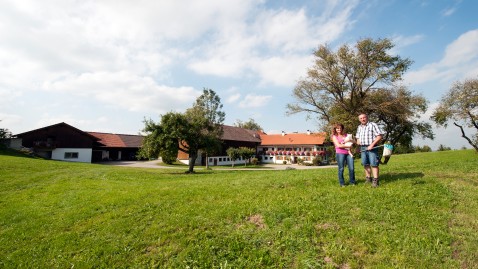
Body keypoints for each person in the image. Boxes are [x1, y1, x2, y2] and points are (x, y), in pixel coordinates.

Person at [356, 113, 383, 187]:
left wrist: (372, 145)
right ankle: (368, 179)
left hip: (372, 147)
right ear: (359, 120)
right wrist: (358, 147)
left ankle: (375, 181)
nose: (362, 119)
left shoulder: (373, 125)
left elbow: (379, 136)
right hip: (363, 148)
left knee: (374, 164)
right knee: (365, 164)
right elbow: (358, 138)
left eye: (364, 117)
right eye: (361, 118)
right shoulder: (359, 127)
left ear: (367, 118)